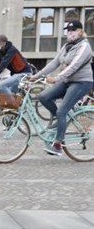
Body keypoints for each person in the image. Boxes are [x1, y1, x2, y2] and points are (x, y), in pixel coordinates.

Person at [30, 20, 93, 156]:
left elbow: (74, 66)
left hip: (82, 82)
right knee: (43, 97)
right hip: (68, 81)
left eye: (73, 30)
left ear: (80, 31)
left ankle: (58, 144)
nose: (70, 32)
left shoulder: (84, 46)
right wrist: (37, 76)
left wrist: (56, 78)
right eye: (68, 30)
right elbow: (55, 62)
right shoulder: (67, 46)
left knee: (61, 111)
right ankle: (62, 119)